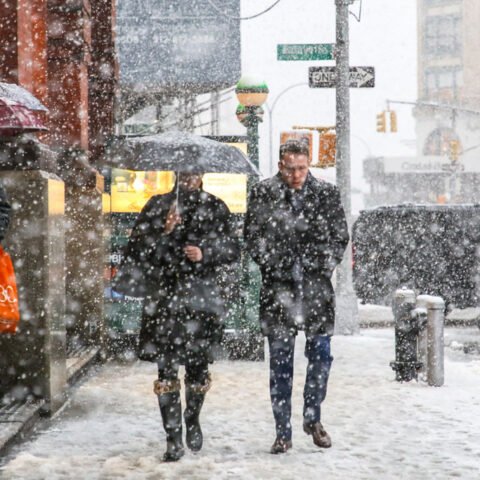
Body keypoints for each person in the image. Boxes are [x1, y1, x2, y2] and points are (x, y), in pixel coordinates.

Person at [115, 172, 240, 462]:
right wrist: (163, 230)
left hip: (201, 301)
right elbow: (136, 251)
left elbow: (233, 249)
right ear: (175, 174)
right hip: (164, 300)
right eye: (184, 173)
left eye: (194, 173)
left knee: (197, 369)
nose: (189, 178)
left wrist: (205, 252)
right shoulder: (158, 205)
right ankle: (172, 437)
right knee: (166, 370)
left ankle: (192, 418)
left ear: (202, 175)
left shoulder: (215, 207)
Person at [244, 140, 349, 454]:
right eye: (290, 168)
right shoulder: (263, 193)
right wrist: (275, 265)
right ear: (280, 165)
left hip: (316, 289)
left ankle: (312, 417)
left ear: (308, 165)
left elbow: (339, 237)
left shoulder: (326, 194)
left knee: (321, 356)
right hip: (279, 289)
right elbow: (252, 237)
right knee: (280, 363)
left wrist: (320, 266)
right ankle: (282, 431)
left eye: (302, 168)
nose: (296, 175)